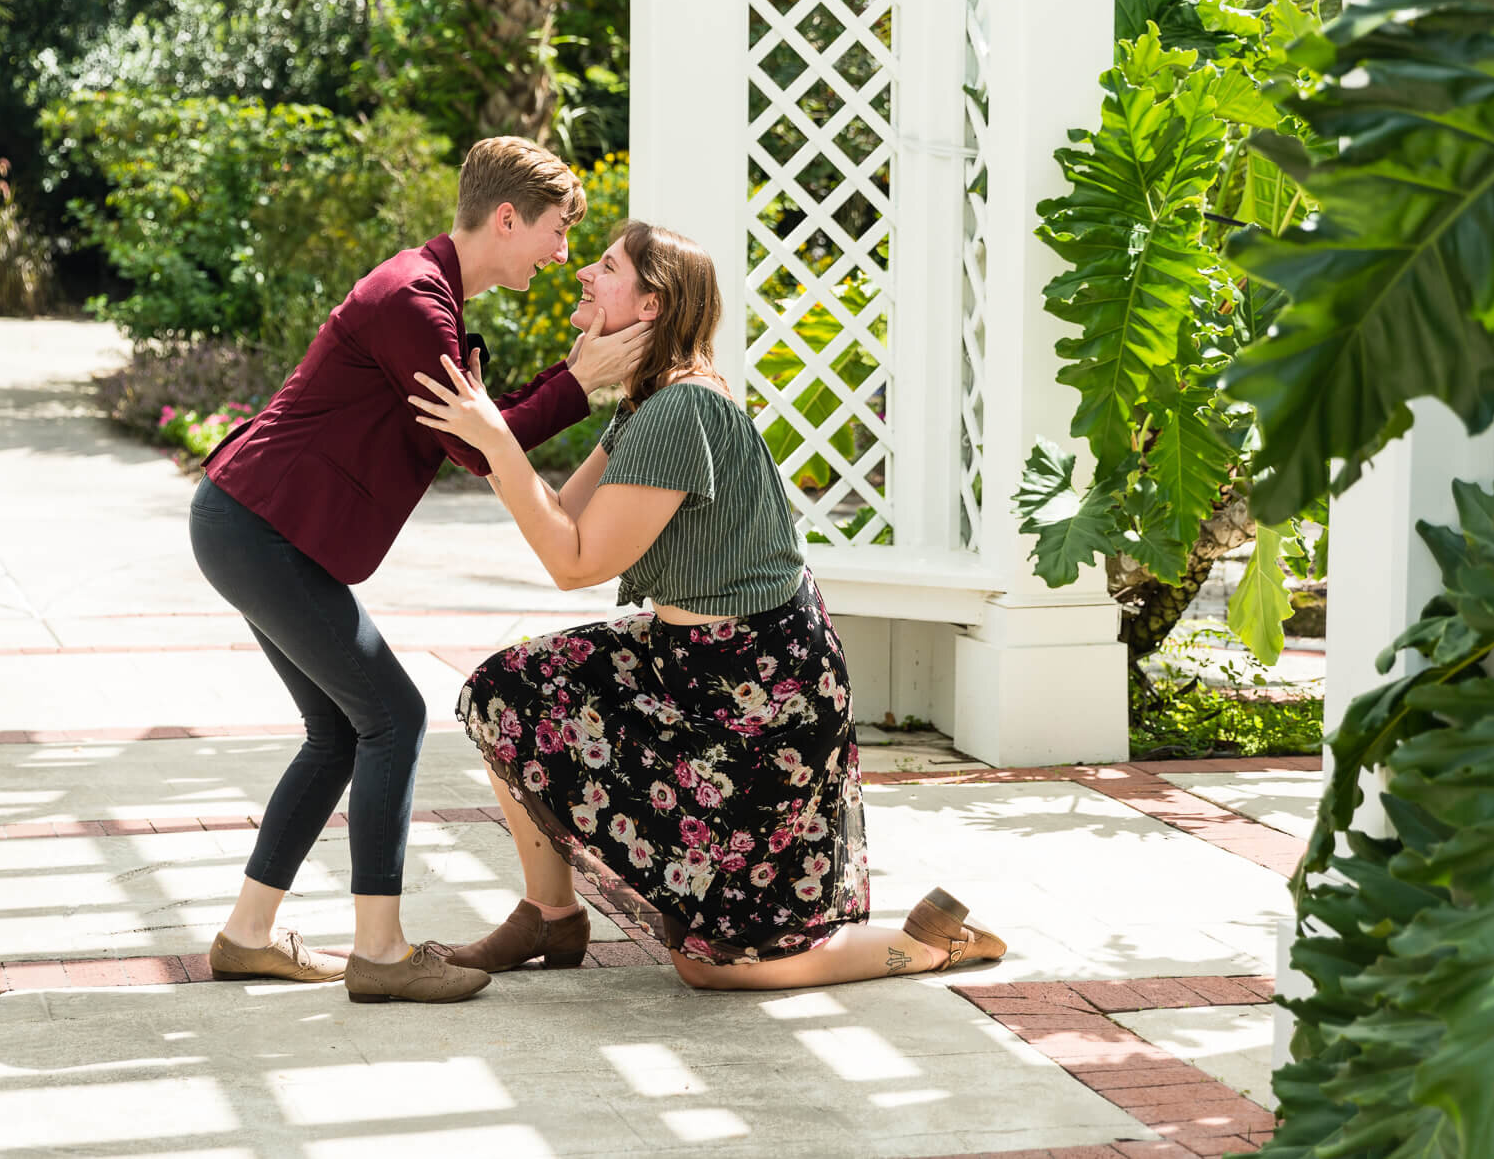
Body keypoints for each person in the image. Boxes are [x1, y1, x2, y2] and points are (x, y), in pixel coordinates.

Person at [405, 221, 1006, 989]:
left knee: (714, 967)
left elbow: (573, 562)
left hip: (767, 692)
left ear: (652, 304)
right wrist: (492, 437)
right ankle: (550, 915)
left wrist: (496, 441)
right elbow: (559, 514)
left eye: (608, 267)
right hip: (684, 661)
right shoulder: (647, 404)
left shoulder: (680, 413)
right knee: (509, 689)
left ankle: (925, 945)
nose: (585, 273)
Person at [190, 137, 651, 1005]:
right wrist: (580, 380)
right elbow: (485, 448)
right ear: (506, 218)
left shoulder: (427, 295)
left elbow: (474, 434)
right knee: (394, 716)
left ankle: (247, 935)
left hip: (250, 521)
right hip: (259, 528)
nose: (563, 255)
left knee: (339, 731)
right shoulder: (413, 300)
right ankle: (382, 951)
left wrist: (559, 386)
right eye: (555, 233)